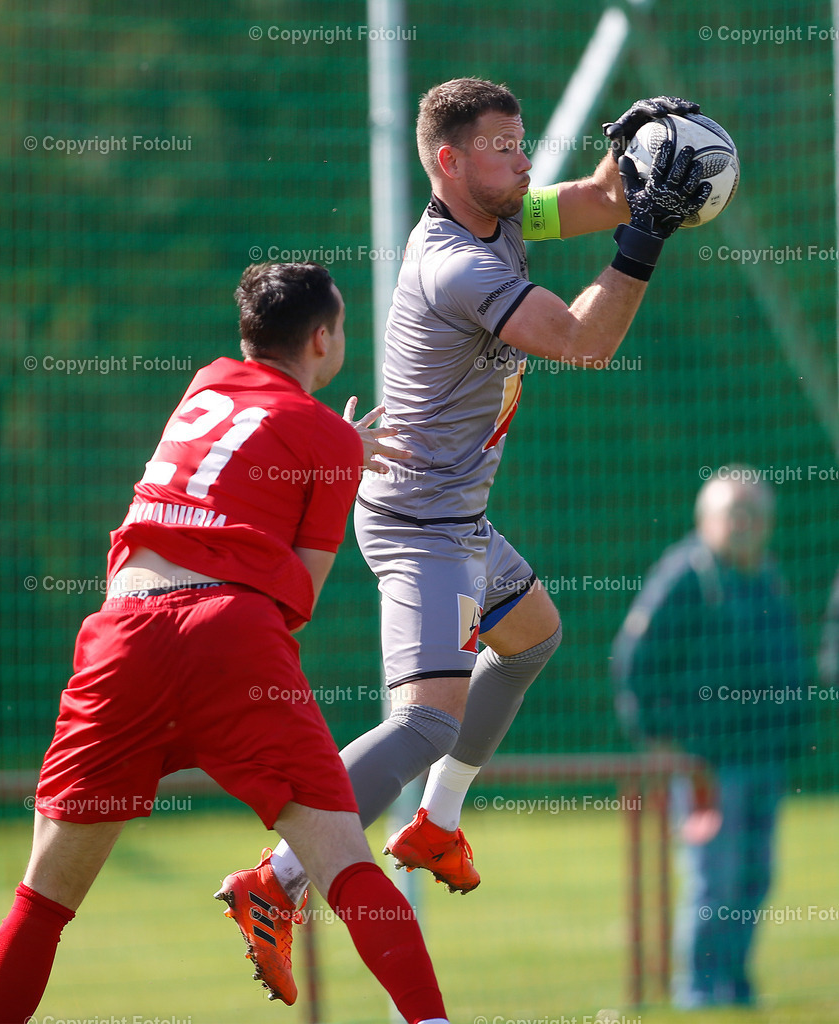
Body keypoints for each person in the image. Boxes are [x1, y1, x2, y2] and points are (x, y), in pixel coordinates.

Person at [242, 78, 711, 986]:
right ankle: (279, 876)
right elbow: (584, 341)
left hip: (455, 518)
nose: (524, 159)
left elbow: (596, 198)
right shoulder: (459, 262)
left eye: (523, 139)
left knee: (532, 638)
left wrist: (643, 145)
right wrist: (644, 237)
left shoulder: (503, 216)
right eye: (503, 145)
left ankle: (438, 822)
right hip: (421, 528)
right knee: (422, 723)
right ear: (450, 163)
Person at [0, 262, 451, 1024]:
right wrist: (338, 456)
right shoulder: (327, 436)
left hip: (122, 634)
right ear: (321, 339)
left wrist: (334, 450)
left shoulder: (205, 382)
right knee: (343, 865)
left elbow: (242, 456)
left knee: (40, 901)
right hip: (229, 633)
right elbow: (294, 600)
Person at [611, 469, 810, 1008]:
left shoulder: (766, 577)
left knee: (754, 878)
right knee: (712, 879)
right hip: (705, 763)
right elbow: (634, 663)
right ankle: (697, 991)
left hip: (762, 758)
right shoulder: (685, 576)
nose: (746, 525)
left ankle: (735, 985)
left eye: (756, 515)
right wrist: (658, 739)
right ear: (707, 520)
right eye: (735, 513)